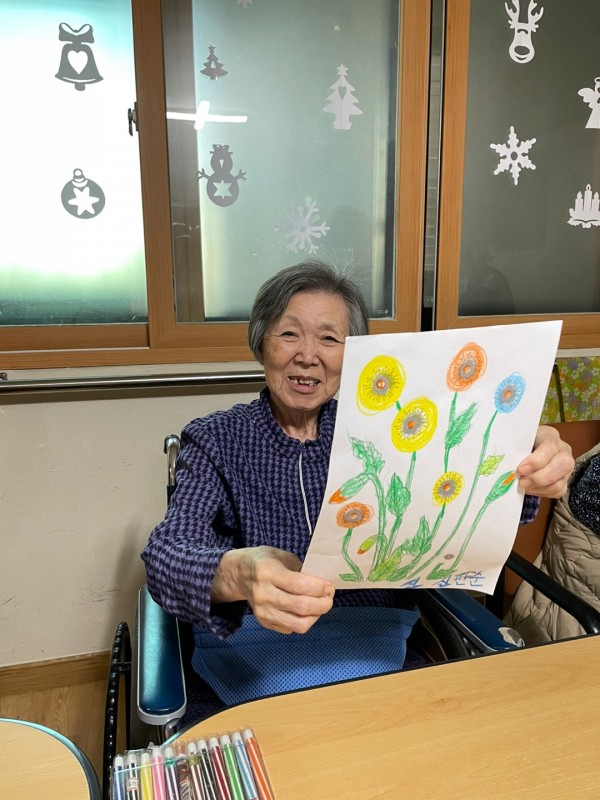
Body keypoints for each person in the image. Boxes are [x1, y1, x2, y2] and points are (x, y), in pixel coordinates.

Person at [142, 260, 574, 711]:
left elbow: (465, 501)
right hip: (246, 665)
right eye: (289, 333)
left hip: (376, 654)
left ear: (354, 355)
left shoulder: (387, 430)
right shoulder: (216, 439)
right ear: (261, 342)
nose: (308, 355)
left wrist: (527, 458)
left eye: (329, 339)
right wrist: (239, 574)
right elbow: (165, 555)